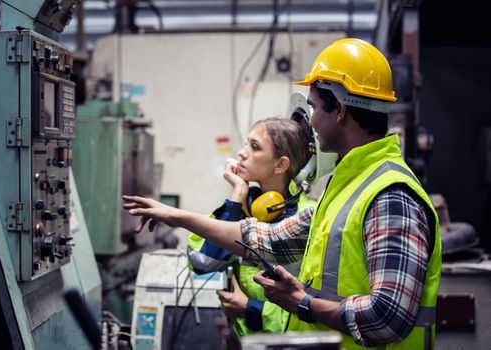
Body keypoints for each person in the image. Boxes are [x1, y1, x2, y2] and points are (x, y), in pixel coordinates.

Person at [123, 38, 441, 349]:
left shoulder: (390, 195)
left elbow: (388, 317)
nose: (311, 122)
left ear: (341, 110)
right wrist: (176, 217)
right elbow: (270, 239)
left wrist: (301, 301)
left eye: (314, 107)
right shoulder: (349, 184)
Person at [187, 117, 317, 336]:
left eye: (254, 147)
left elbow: (310, 310)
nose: (241, 153)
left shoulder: (307, 218)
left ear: (280, 164)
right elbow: (202, 263)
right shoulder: (243, 208)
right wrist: (237, 195)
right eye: (246, 143)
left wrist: (250, 310)